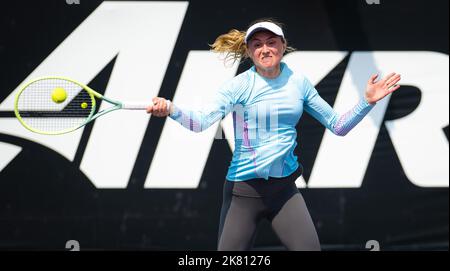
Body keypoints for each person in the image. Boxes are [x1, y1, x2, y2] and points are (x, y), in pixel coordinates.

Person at [147, 19, 401, 251]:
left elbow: (338, 126)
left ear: (283, 45)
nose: (265, 49)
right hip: (243, 193)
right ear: (248, 51)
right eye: (257, 45)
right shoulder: (238, 87)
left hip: (284, 191)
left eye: (271, 42)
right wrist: (170, 108)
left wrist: (367, 102)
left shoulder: (298, 83)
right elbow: (200, 122)